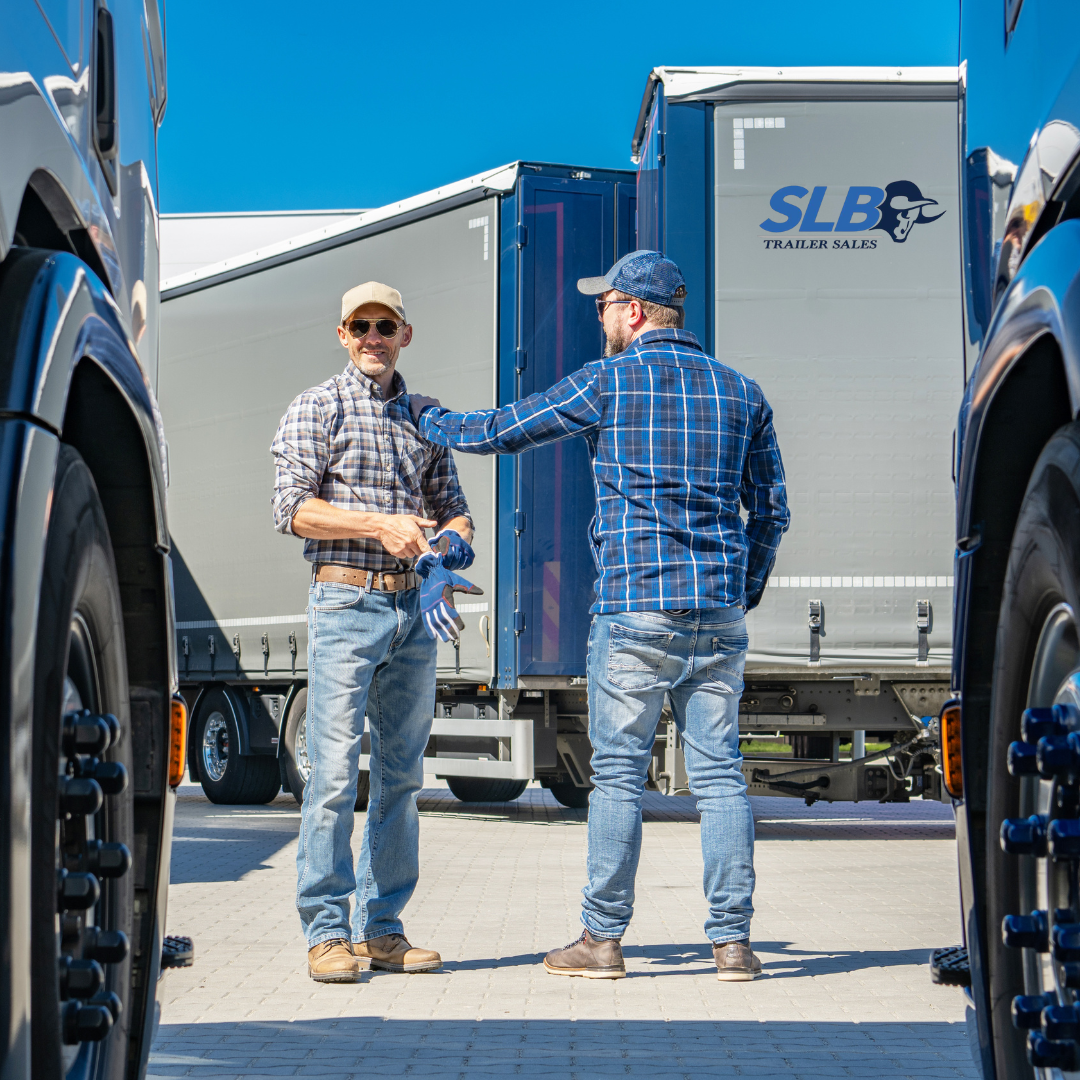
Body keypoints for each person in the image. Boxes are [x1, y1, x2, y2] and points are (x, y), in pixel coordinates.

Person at [410, 251, 789, 981]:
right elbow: (771, 510)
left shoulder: (607, 381)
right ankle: (733, 946)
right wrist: (743, 587)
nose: (599, 317)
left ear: (634, 311)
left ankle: (602, 941)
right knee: (720, 779)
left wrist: (430, 418)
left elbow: (501, 429)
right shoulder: (743, 393)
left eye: (604, 305)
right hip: (717, 615)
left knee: (617, 777)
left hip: (635, 610)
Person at [271, 281, 482, 983]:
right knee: (334, 776)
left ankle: (382, 929)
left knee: (402, 779)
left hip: (413, 611)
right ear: (342, 334)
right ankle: (326, 933)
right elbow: (292, 509)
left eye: (385, 326)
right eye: (359, 325)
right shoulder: (316, 407)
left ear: (404, 335)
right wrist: (378, 526)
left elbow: (455, 509)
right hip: (344, 603)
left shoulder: (426, 417)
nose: (372, 337)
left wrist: (449, 547)